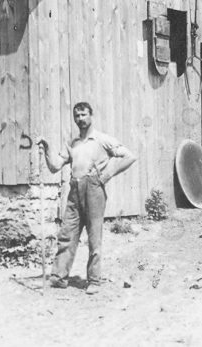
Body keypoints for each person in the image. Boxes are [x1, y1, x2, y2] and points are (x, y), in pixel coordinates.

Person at [37, 102, 136, 294]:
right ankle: (59, 277)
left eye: (83, 114)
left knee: (94, 237)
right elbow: (55, 167)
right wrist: (47, 148)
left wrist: (107, 175)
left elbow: (129, 156)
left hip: (93, 190)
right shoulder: (73, 143)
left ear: (91, 115)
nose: (80, 119)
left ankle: (94, 281)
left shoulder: (101, 139)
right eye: (77, 116)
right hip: (74, 190)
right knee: (67, 233)